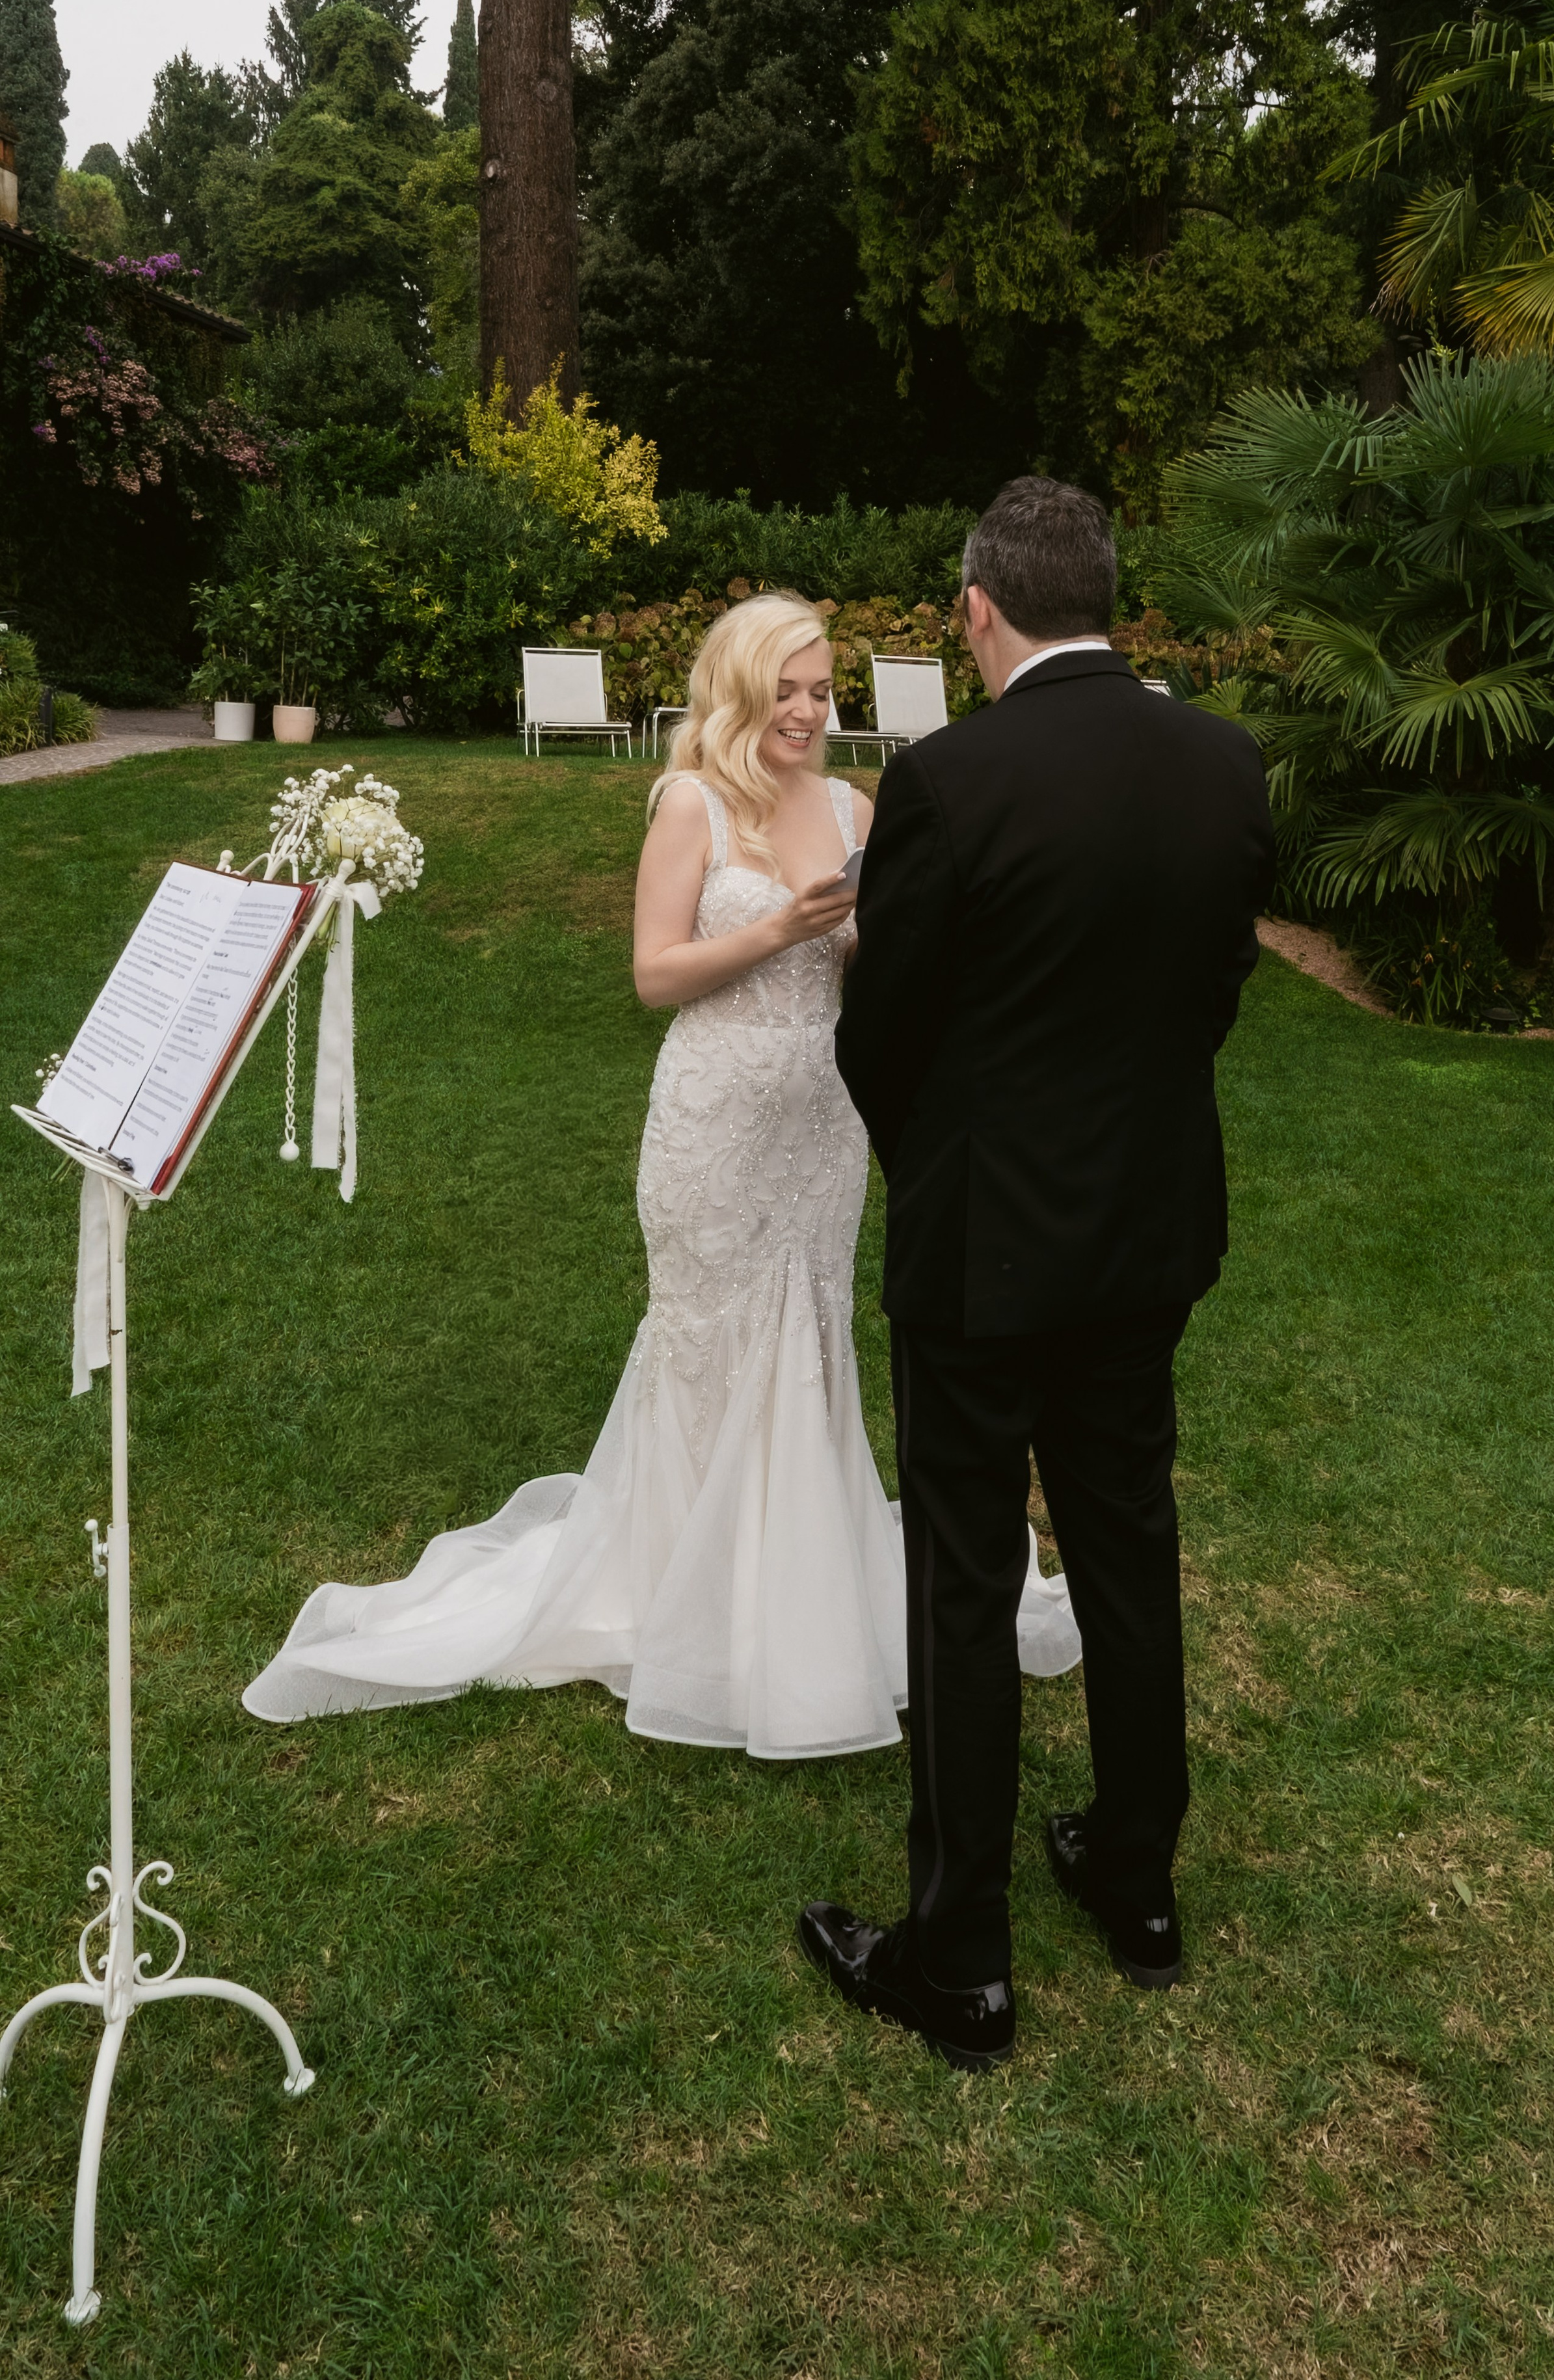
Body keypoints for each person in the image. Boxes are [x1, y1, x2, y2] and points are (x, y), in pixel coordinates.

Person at [243, 592, 1078, 1757]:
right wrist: (783, 928)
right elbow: (655, 973)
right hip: (713, 1123)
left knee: (813, 1339)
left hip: (823, 1130)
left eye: (820, 689)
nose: (805, 710)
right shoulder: (691, 799)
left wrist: (870, 941)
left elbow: (884, 973)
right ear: (737, 688)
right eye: (783, 689)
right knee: (709, 1340)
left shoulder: (858, 806)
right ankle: (680, 1597)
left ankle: (800, 1591)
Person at [797, 478, 1276, 2065]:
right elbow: (1209, 993)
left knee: (962, 1574)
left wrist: (928, 1154)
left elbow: (883, 1025)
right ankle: (1137, 1888)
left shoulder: (945, 776)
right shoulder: (1221, 760)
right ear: (1109, 602)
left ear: (976, 610)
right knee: (1128, 1544)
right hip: (1145, 1234)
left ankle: (961, 1963)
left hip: (984, 1245)